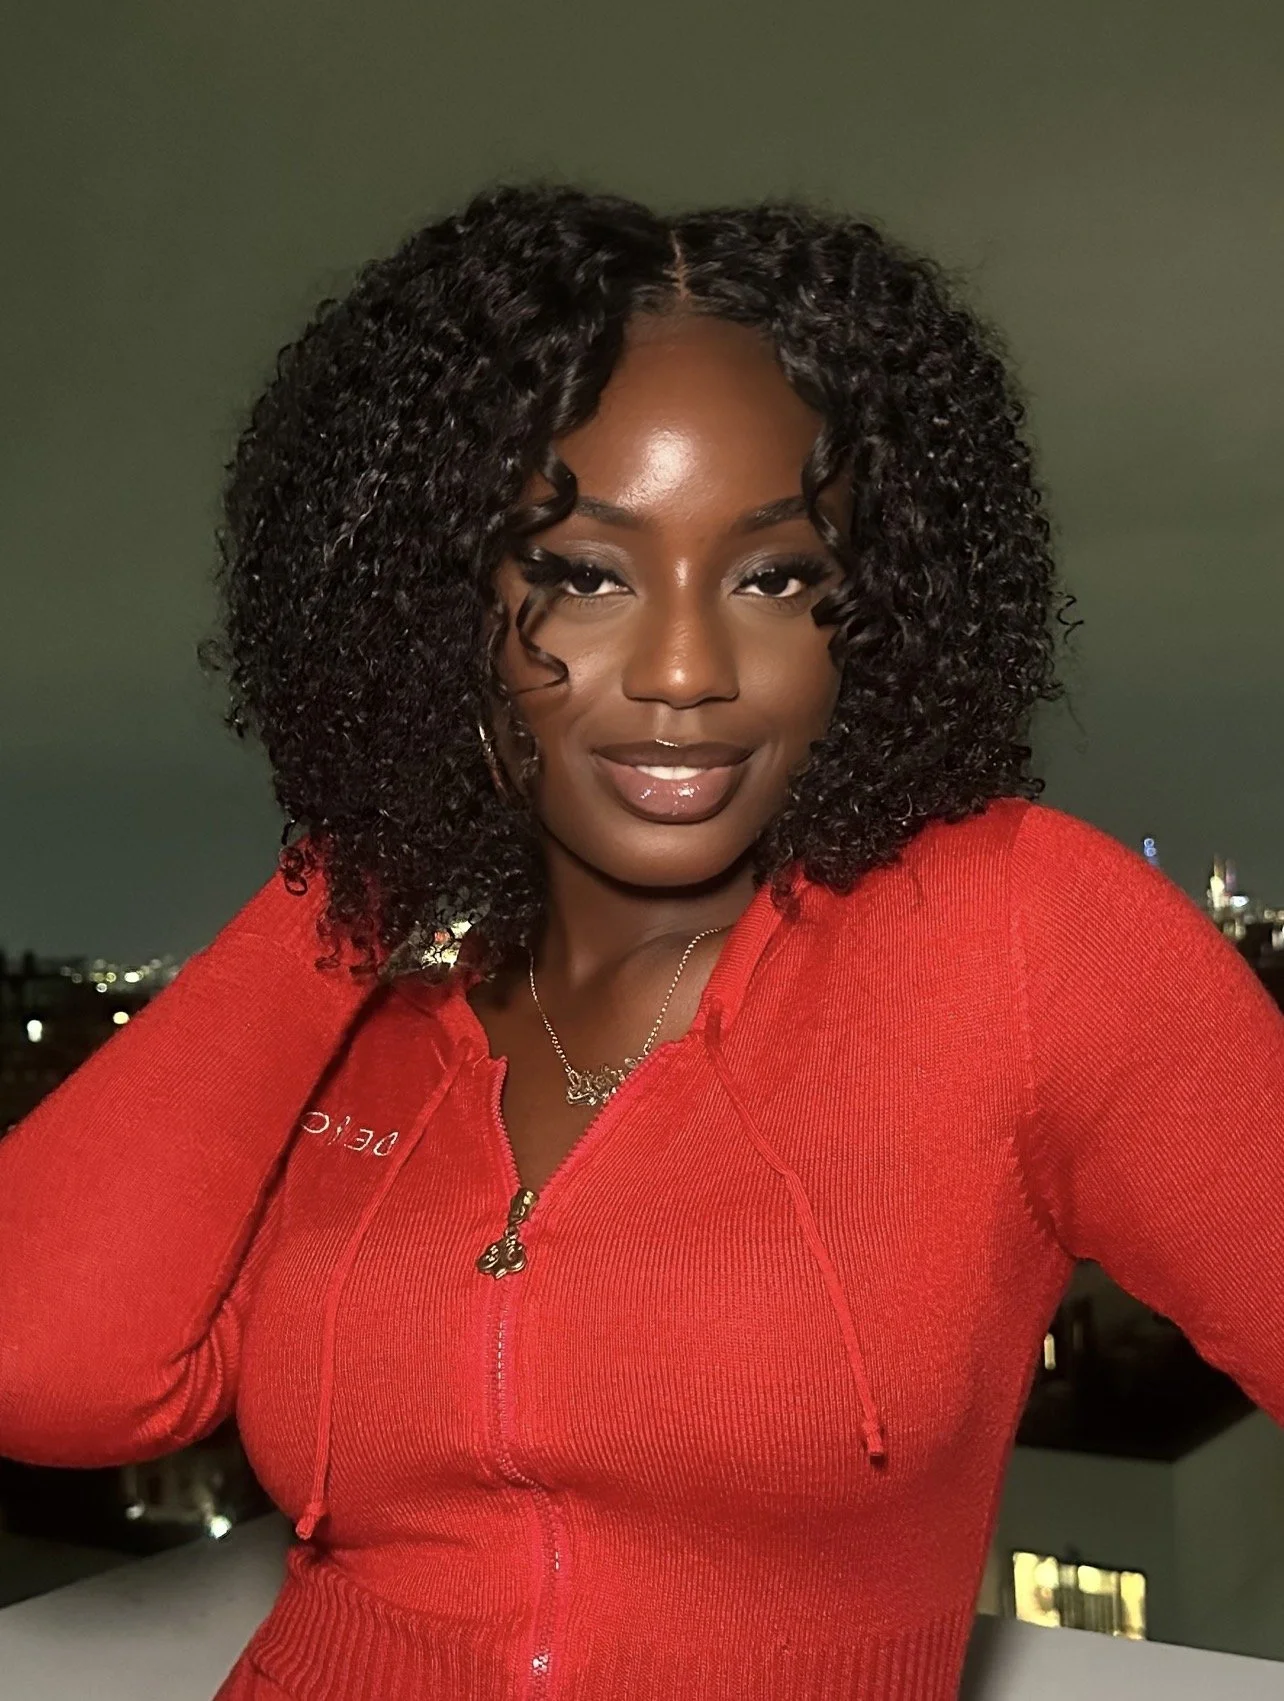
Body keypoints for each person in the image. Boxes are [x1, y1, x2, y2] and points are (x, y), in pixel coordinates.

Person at [1, 183, 1281, 1701]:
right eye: (582, 575)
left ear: (875, 610)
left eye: (777, 576)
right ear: (434, 606)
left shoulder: (1017, 939)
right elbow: (48, 1369)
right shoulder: (382, 1026)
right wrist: (359, 856)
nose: (686, 669)